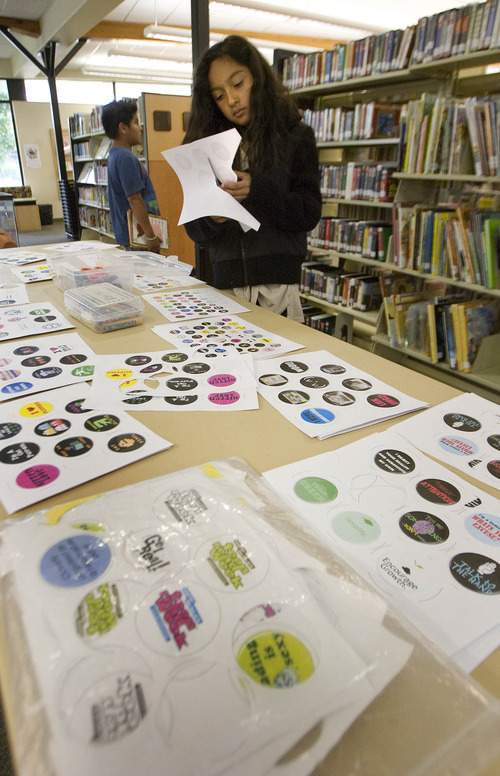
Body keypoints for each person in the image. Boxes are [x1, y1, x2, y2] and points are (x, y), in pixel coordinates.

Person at [183, 35, 321, 321]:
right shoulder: (206, 143)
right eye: (219, 95)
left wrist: (258, 191)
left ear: (257, 78)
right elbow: (195, 231)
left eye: (238, 84)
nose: (232, 100)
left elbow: (308, 213)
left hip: (279, 286)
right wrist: (213, 219)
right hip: (225, 288)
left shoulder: (295, 136)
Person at [101, 98, 162, 253]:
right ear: (123, 128)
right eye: (135, 122)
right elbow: (134, 198)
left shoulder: (116, 155)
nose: (139, 128)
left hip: (133, 235)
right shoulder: (125, 158)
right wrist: (150, 235)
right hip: (139, 237)